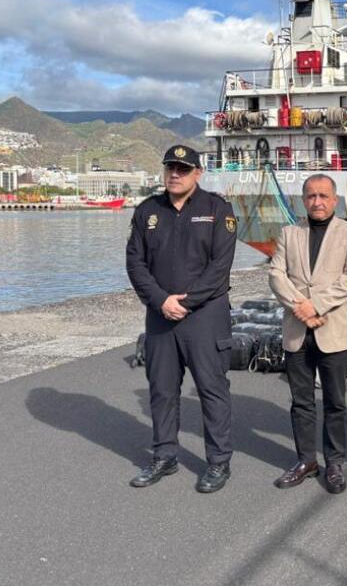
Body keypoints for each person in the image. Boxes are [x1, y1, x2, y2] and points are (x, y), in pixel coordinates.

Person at [126, 145, 237, 493]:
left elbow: (220, 266)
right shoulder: (148, 211)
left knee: (212, 389)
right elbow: (135, 262)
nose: (175, 174)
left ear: (198, 174)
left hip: (205, 316)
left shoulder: (218, 209)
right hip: (161, 316)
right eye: (170, 168)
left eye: (183, 169)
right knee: (161, 390)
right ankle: (165, 455)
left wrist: (185, 303)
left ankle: (218, 463)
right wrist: (161, 301)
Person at [268, 175, 347, 493]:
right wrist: (301, 306)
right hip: (297, 328)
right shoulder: (289, 232)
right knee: (301, 401)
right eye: (311, 196)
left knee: (335, 401)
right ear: (303, 200)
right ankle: (306, 460)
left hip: (332, 328)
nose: (317, 201)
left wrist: (316, 306)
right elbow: (276, 273)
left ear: (334, 200)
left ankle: (335, 463)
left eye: (323, 196)